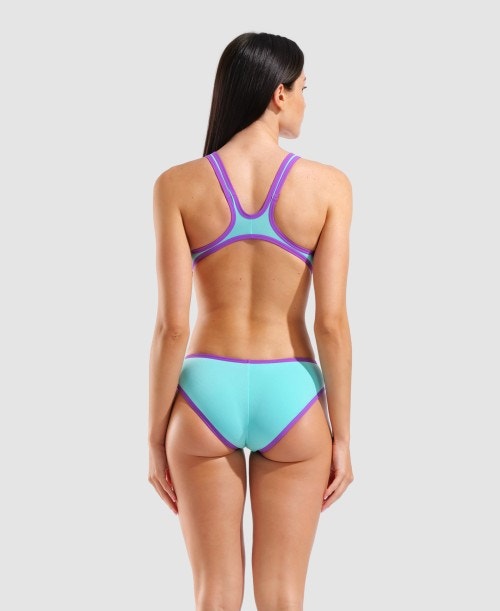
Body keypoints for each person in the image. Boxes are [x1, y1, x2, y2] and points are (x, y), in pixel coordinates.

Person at [148, 31, 354, 611]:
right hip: (291, 394)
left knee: (214, 596)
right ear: (278, 94)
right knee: (283, 597)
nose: (306, 102)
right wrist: (342, 435)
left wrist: (155, 437)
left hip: (203, 396)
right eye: (304, 89)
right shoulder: (329, 187)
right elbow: (332, 323)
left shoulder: (176, 185)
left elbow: (171, 327)